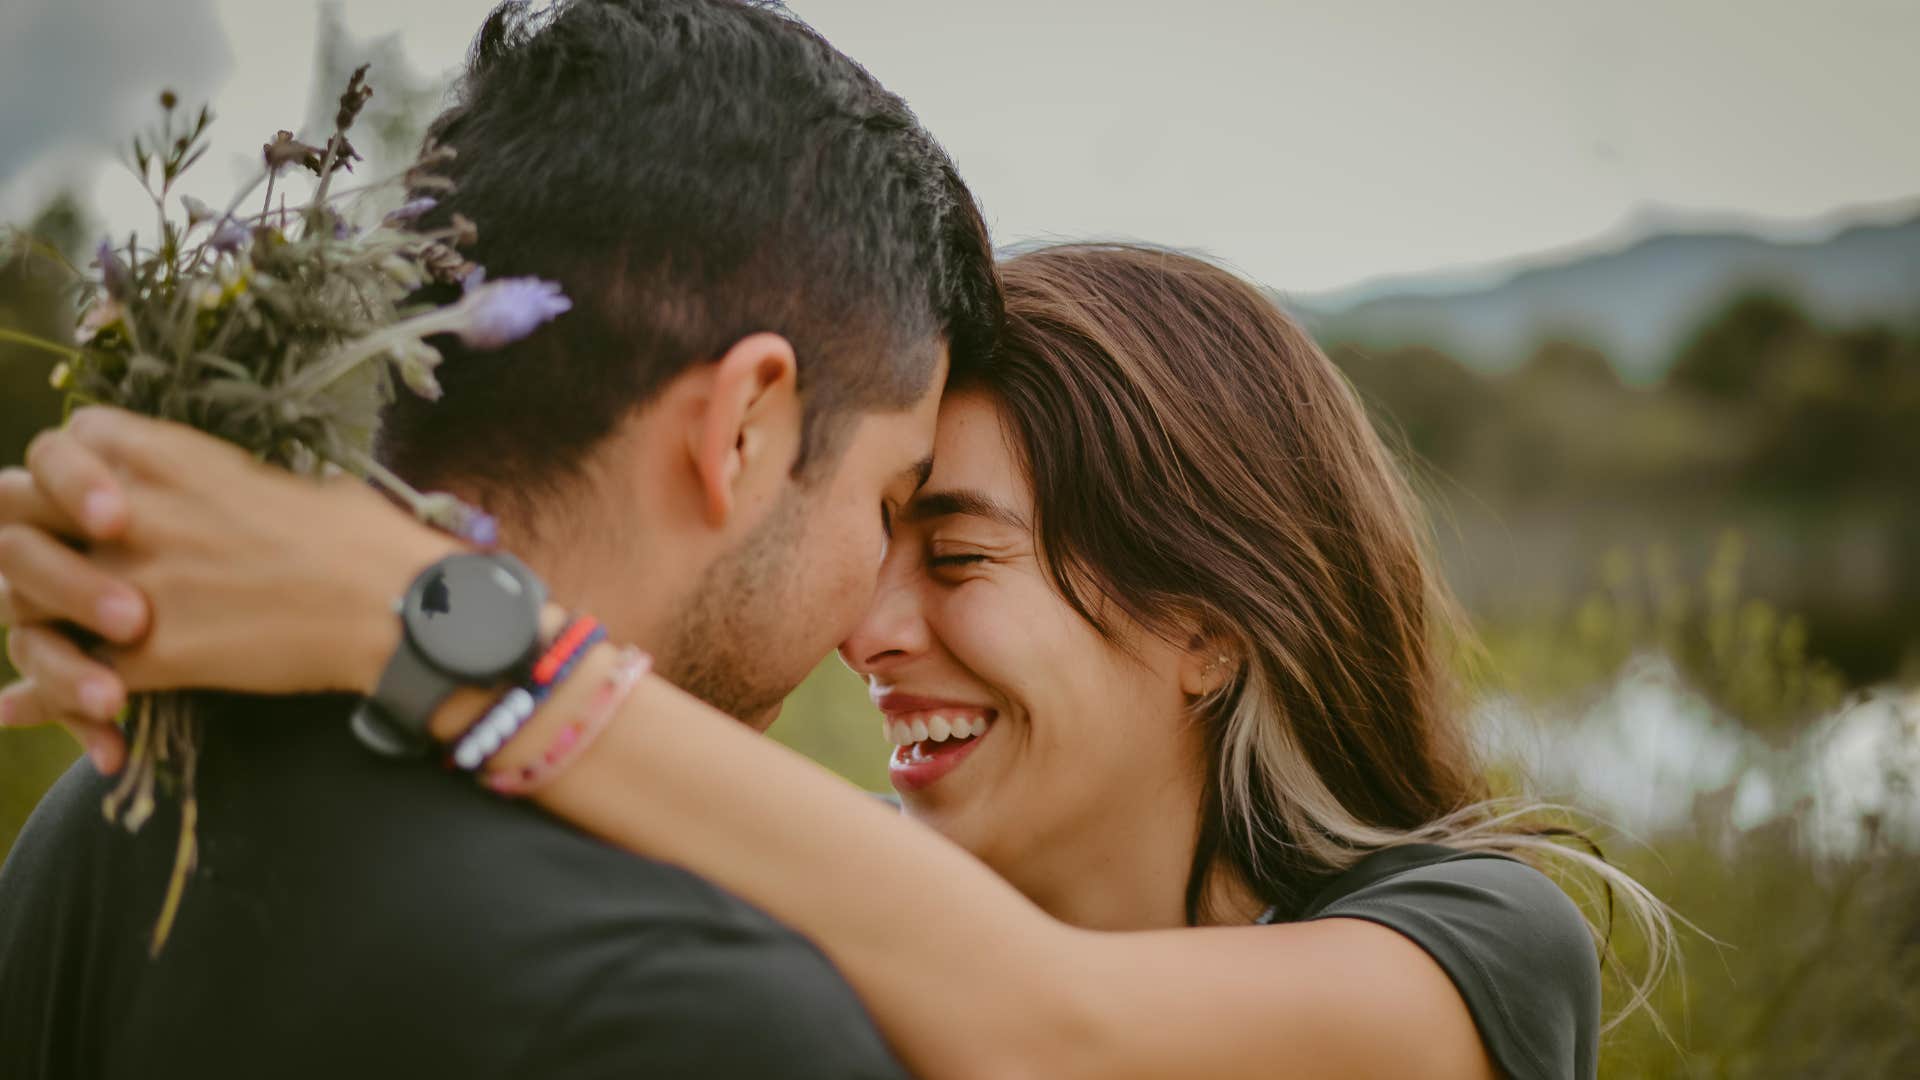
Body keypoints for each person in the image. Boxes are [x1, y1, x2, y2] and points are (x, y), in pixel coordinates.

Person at [0, 245, 1675, 1079]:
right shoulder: (831, 895)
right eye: (880, 539)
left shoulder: (1475, 942)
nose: (870, 629)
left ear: (1208, 626)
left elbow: (1062, 1031)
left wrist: (419, 614)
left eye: (960, 555)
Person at [0, 0, 1000, 1076]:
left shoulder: (103, 816)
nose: (866, 625)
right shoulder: (713, 1014)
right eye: (887, 505)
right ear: (742, 430)